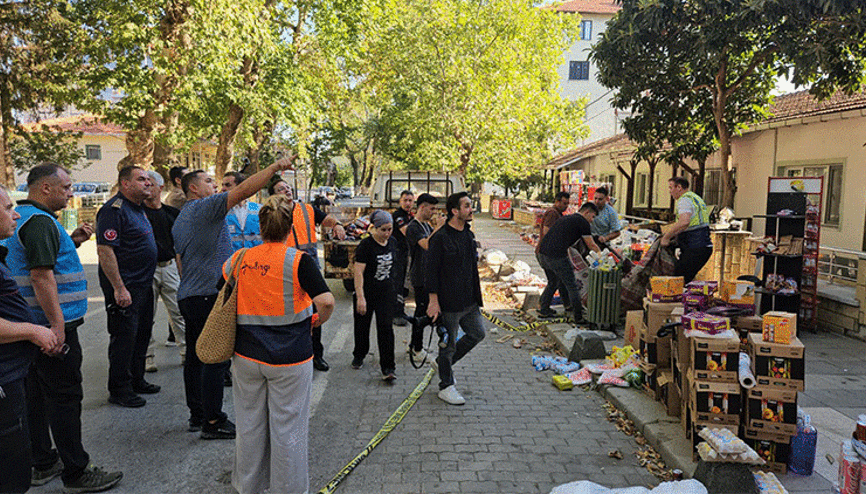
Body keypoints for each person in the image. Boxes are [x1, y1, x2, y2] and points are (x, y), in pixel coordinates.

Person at [1, 165, 122, 492]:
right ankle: (77, 471)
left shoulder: (24, 220)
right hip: (53, 327)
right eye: (66, 187)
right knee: (64, 397)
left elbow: (29, 263)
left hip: (29, 326)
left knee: (36, 397)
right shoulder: (39, 222)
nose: (72, 193)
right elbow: (41, 276)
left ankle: (43, 462)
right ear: (44, 189)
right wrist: (56, 327)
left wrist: (70, 240)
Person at [173, 158, 293, 439]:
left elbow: (181, 259)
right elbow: (244, 190)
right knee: (214, 359)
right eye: (209, 182)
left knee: (196, 356)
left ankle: (198, 414)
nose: (215, 185)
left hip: (190, 294)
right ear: (193, 188)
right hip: (207, 296)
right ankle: (213, 421)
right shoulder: (205, 207)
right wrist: (274, 167)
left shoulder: (183, 216)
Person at [225, 194, 335, 494]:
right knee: (288, 430)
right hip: (290, 358)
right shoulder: (298, 261)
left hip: (246, 356)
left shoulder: (238, 259)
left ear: (260, 229)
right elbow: (325, 301)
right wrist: (314, 322)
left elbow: (225, 284)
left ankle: (247, 487)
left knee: (249, 426)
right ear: (290, 229)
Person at [0, 185, 62, 494]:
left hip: (12, 373)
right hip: (4, 380)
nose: (15, 214)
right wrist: (33, 330)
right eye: (8, 207)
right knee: (10, 472)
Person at [96, 166, 159, 408]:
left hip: (143, 285)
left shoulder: (138, 209)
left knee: (142, 333)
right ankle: (120, 388)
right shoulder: (114, 210)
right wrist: (119, 288)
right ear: (125, 184)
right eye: (141, 179)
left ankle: (137, 379)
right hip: (126, 287)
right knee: (124, 337)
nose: (147, 183)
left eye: (149, 180)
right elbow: (105, 250)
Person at [268, 179, 346, 372]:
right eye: (280, 189)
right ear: (273, 195)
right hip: (283, 268)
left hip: (307, 266)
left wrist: (337, 225)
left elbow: (325, 219)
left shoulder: (306, 209)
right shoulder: (271, 213)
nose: (286, 190)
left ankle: (316, 355)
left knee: (313, 310)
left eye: (287, 187)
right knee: (288, 312)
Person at [426, 191, 485, 405]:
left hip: (469, 302)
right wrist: (433, 301)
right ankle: (446, 386)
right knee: (448, 345)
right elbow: (430, 271)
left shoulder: (468, 235)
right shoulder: (441, 238)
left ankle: (444, 364)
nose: (472, 209)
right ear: (455, 211)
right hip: (449, 303)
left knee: (477, 333)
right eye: (467, 206)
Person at [143, 171, 184, 373]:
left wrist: (180, 270)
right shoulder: (137, 214)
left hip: (168, 268)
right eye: (144, 183)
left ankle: (186, 353)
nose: (146, 188)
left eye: (150, 184)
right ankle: (147, 357)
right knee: (146, 316)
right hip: (146, 270)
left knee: (178, 313)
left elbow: (179, 244)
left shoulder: (172, 214)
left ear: (160, 188)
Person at [351, 210, 398, 381]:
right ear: (374, 228)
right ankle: (359, 354)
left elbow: (395, 268)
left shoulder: (392, 242)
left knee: (386, 329)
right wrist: (361, 297)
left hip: (385, 293)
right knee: (362, 326)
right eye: (383, 230)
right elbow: (358, 272)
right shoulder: (366, 246)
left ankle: (388, 367)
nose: (387, 233)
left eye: (389, 229)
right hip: (366, 292)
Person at [536, 202, 601, 323]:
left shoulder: (567, 217)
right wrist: (602, 256)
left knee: (553, 282)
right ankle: (578, 317)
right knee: (572, 285)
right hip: (556, 256)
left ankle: (544, 309)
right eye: (592, 217)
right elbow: (591, 244)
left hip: (542, 252)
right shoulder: (583, 223)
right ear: (587, 212)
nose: (592, 221)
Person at [404, 193, 443, 361]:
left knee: (424, 313)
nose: (433, 212)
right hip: (419, 276)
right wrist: (439, 228)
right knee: (422, 313)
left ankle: (414, 344)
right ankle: (417, 349)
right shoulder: (413, 227)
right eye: (431, 208)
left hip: (428, 275)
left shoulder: (426, 226)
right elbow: (427, 245)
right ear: (422, 207)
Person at [661, 177, 713, 284]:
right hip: (703, 246)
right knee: (683, 279)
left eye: (671, 188)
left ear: (679, 187)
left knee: (677, 281)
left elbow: (684, 222)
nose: (669, 191)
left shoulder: (684, 200)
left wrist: (666, 237)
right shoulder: (695, 198)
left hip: (695, 247)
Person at [535, 192, 572, 312]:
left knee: (556, 280)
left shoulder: (558, 214)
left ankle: (544, 304)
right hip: (547, 253)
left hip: (546, 252)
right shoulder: (552, 213)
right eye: (564, 203)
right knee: (554, 280)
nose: (566, 206)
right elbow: (547, 231)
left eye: (567, 203)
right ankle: (544, 308)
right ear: (557, 201)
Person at [222, 171, 262, 251]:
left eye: (228, 185)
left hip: (256, 259)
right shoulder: (221, 211)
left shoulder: (259, 209)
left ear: (241, 187)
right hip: (232, 260)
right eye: (222, 185)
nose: (223, 189)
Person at [390, 190, 414, 326]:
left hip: (403, 253)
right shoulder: (399, 215)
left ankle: (400, 311)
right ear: (400, 201)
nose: (408, 203)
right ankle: (396, 314)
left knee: (401, 283)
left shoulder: (409, 216)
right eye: (405, 200)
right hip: (396, 254)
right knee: (397, 284)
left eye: (410, 201)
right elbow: (407, 232)